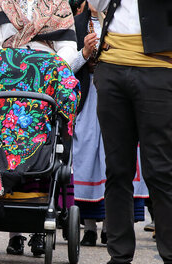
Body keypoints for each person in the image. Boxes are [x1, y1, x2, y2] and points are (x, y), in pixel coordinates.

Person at [0, 0, 78, 256]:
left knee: (43, 138)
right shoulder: (0, 2)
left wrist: (48, 64)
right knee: (3, 135)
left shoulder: (59, 3)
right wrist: (8, 62)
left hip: (44, 79)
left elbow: (68, 46)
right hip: (6, 77)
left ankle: (38, 229)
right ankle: (15, 234)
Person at [88, 1, 172, 264]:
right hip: (111, 65)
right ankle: (119, 260)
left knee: (160, 170)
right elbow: (95, 3)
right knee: (117, 169)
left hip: (160, 69)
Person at [71, 1, 148, 247]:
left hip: (117, 92)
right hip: (89, 96)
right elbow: (65, 68)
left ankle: (111, 227)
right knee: (87, 157)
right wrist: (84, 54)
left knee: (114, 156)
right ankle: (89, 227)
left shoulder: (120, 21)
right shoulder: (77, 25)